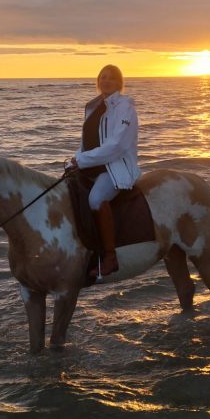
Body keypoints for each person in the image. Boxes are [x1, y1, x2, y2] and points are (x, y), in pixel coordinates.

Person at [68, 64, 141, 278]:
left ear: (119, 83)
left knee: (96, 199)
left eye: (111, 78)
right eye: (103, 77)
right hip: (93, 164)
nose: (106, 81)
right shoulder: (93, 106)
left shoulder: (125, 107)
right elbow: (86, 143)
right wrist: (75, 159)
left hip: (116, 166)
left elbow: (117, 146)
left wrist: (82, 160)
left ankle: (110, 257)